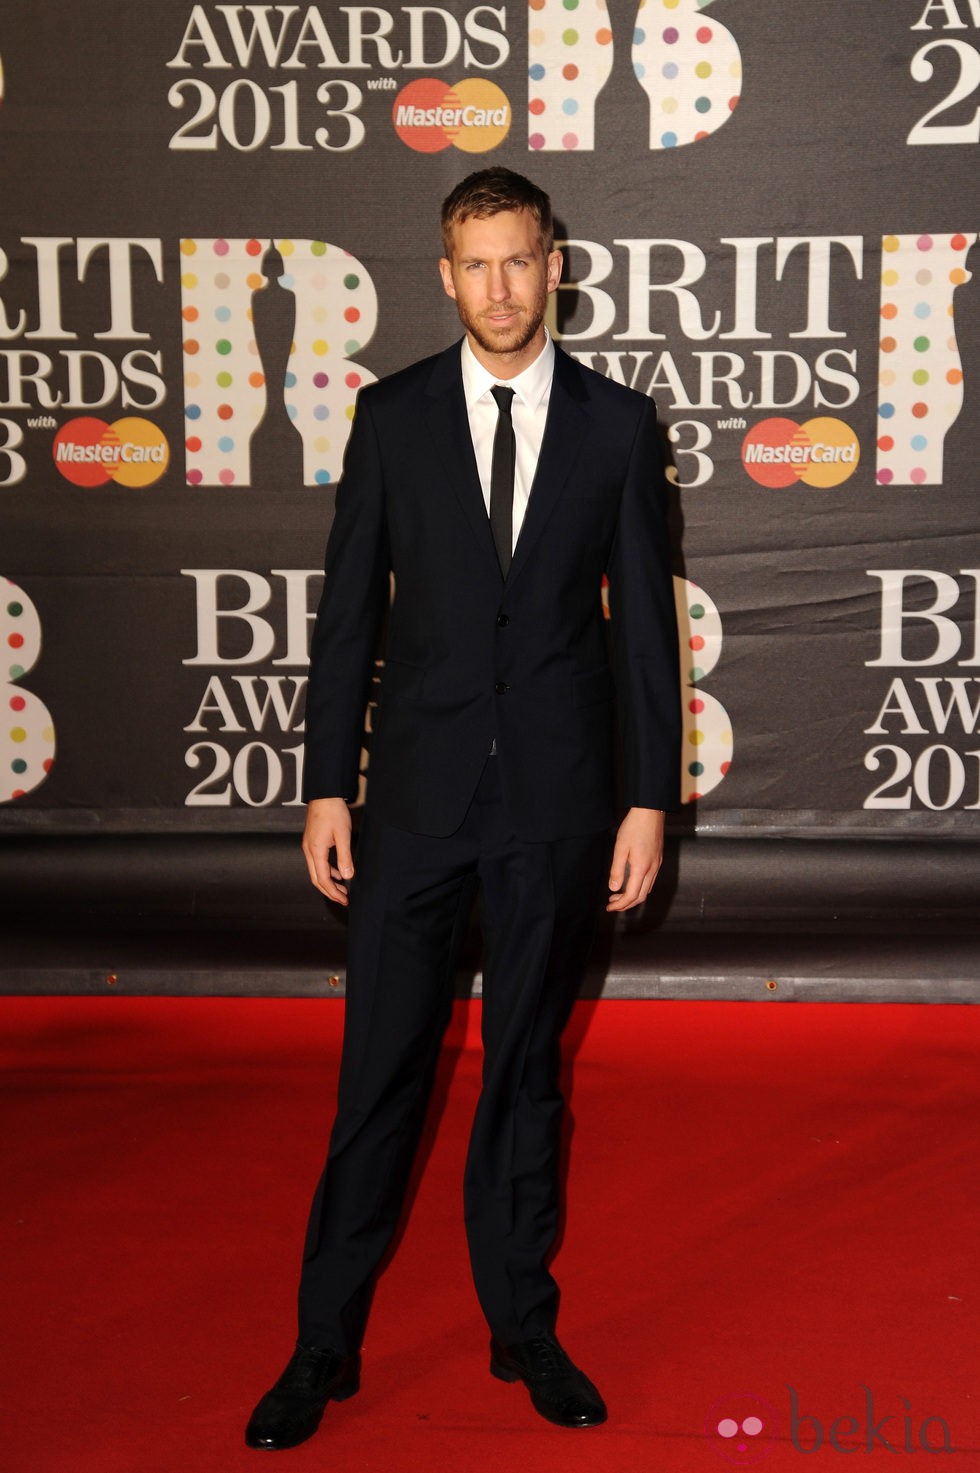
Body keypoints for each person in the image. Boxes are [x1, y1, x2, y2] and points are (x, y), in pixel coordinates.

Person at [245, 167, 680, 1451]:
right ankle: (324, 1340)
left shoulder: (614, 426)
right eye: (472, 264)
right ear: (443, 276)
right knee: (375, 1076)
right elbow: (346, 625)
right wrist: (329, 783)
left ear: (555, 266)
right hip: (416, 809)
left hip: (556, 806)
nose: (497, 286)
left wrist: (648, 799)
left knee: (525, 1080)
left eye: (518, 260)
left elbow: (646, 636)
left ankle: (522, 1327)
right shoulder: (389, 418)